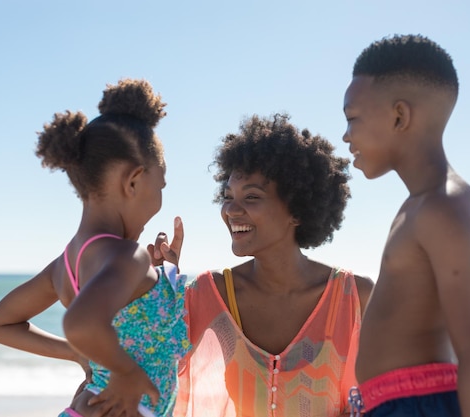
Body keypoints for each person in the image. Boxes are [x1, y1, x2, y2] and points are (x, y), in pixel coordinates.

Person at [0, 78, 190, 417]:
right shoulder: (127, 255)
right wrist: (125, 372)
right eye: (160, 184)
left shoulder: (66, 264)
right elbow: (82, 323)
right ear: (134, 181)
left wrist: (78, 353)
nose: (160, 199)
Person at [147, 113, 374, 417]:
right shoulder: (206, 294)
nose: (230, 210)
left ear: (297, 209)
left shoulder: (354, 297)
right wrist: (161, 292)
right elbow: (149, 364)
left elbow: (387, 398)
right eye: (227, 197)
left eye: (251, 197)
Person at [342, 35, 470, 417]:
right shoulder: (416, 208)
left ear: (399, 116)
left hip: (419, 407)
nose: (346, 136)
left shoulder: (442, 208)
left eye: (352, 119)